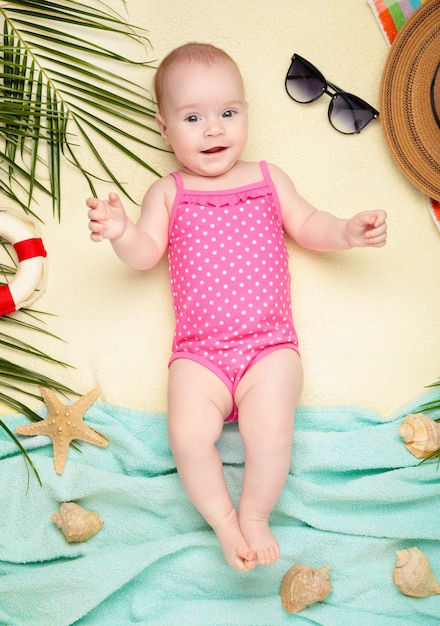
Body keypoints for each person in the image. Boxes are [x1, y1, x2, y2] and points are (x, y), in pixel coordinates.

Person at [87, 43, 387, 572]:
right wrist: (121, 231)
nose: (214, 130)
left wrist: (345, 231)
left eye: (228, 113)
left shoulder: (268, 178)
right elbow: (144, 254)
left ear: (247, 112)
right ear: (164, 128)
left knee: (269, 427)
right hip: (199, 355)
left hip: (269, 347)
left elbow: (309, 225)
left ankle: (253, 514)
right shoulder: (168, 191)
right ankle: (222, 520)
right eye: (193, 117)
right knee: (185, 432)